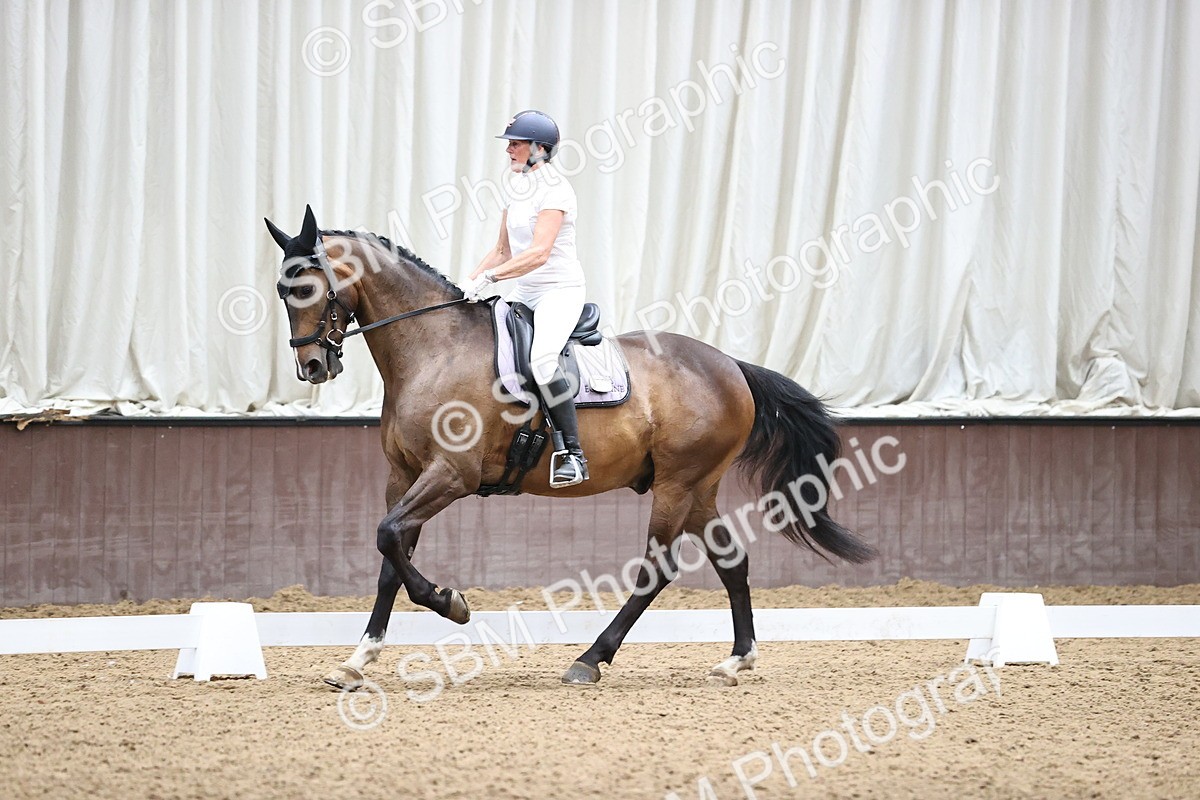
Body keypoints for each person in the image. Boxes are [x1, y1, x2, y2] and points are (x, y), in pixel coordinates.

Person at [459, 110, 588, 488]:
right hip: (526, 289)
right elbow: (502, 249)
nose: (509, 150)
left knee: (543, 361)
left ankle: (572, 453)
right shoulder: (514, 186)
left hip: (558, 290)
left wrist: (490, 278)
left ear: (538, 148)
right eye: (510, 144)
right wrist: (466, 283)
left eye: (515, 144)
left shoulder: (557, 191)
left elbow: (539, 253)